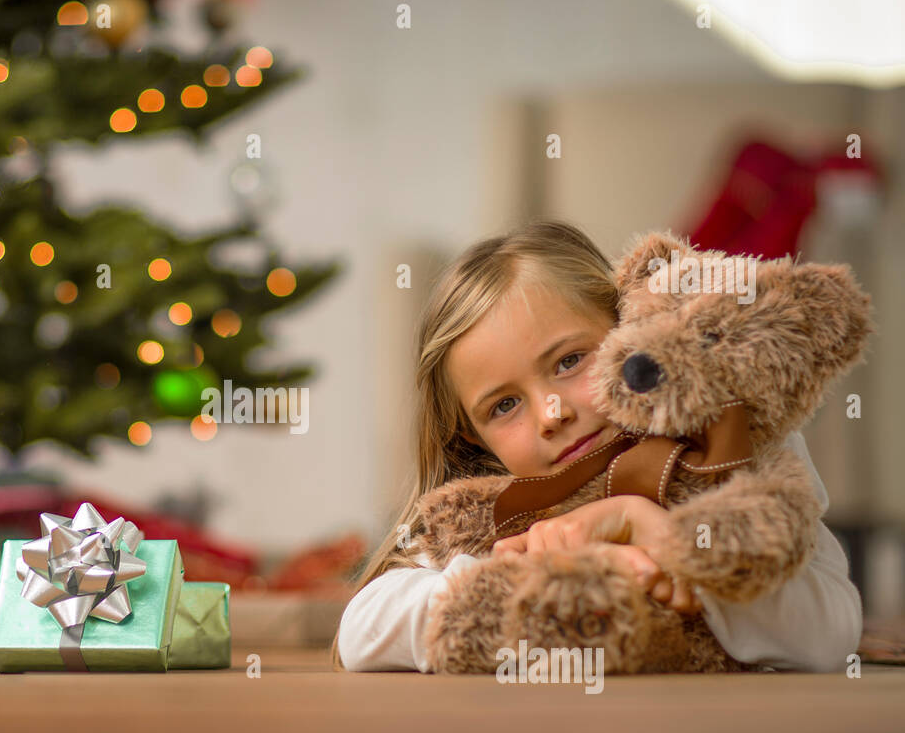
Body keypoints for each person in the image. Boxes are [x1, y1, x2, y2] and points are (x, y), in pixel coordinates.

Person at [331, 219, 862, 674]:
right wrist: (529, 579)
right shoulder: (504, 508)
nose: (551, 415)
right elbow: (361, 632)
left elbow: (832, 632)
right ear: (472, 435)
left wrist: (656, 536)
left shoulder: (728, 443)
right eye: (504, 406)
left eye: (569, 362)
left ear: (628, 324)